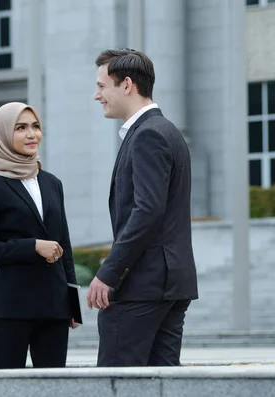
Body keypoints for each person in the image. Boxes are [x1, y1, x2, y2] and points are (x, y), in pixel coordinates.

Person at [88, 48, 198, 367]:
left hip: (142, 288)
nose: (97, 95)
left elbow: (147, 211)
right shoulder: (166, 131)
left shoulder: (149, 134)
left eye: (101, 86)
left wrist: (108, 272)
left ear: (126, 85)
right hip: (167, 286)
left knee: (117, 384)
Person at [0, 102, 79, 369]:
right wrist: (32, 247)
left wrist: (73, 304)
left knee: (53, 390)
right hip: (11, 309)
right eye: (21, 128)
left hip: (54, 309)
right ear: (3, 135)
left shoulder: (52, 183)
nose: (31, 134)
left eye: (35, 127)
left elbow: (64, 243)